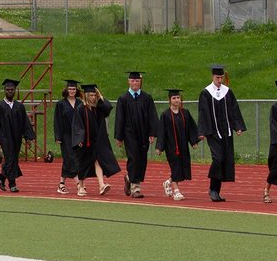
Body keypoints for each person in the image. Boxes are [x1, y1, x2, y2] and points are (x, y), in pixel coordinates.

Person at [197, 64, 245, 202]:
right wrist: (202, 131)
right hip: (213, 132)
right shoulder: (206, 93)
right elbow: (203, 113)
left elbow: (234, 110)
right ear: (212, 77)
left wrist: (238, 127)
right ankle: (212, 189)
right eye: (217, 77)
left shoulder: (227, 92)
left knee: (225, 160)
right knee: (218, 159)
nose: (220, 80)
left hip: (226, 132)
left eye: (221, 77)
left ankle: (216, 191)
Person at [0, 78, 35, 193]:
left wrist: (28, 138)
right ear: (4, 90)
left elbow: (25, 123)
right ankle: (12, 184)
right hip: (5, 137)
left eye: (12, 89)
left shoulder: (19, 106)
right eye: (8, 89)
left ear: (15, 91)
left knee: (13, 159)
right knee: (10, 158)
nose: (10, 91)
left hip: (17, 137)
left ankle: (1, 177)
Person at [113, 71, 157, 199]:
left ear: (140, 82)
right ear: (128, 81)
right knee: (133, 158)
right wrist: (119, 137)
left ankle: (128, 177)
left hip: (143, 133)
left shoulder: (147, 98)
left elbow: (152, 117)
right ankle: (135, 188)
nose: (135, 83)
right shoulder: (123, 99)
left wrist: (152, 132)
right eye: (132, 80)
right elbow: (119, 119)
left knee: (142, 159)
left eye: (137, 81)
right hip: (129, 134)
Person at [70, 84, 120, 196]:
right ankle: (81, 186)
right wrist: (79, 139)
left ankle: (101, 185)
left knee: (98, 161)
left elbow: (107, 108)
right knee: (83, 164)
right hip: (85, 141)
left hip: (96, 141)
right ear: (87, 96)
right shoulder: (81, 109)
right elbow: (77, 125)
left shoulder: (97, 108)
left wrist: (100, 96)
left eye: (94, 95)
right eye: (91, 95)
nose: (93, 97)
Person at [156, 89, 201, 201]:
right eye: (174, 98)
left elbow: (191, 128)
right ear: (169, 100)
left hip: (183, 146)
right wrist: (160, 147)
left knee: (182, 169)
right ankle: (176, 191)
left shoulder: (185, 112)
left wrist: (194, 141)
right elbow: (162, 131)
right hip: (171, 146)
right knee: (175, 167)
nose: (176, 100)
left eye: (178, 98)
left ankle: (168, 182)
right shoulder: (165, 115)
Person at [53, 80, 82, 194]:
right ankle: (78, 183)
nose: (72, 91)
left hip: (77, 136)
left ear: (76, 90)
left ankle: (61, 184)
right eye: (70, 89)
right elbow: (57, 121)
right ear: (66, 90)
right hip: (65, 136)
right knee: (71, 157)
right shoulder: (61, 104)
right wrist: (58, 136)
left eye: (74, 89)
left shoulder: (80, 103)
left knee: (69, 159)